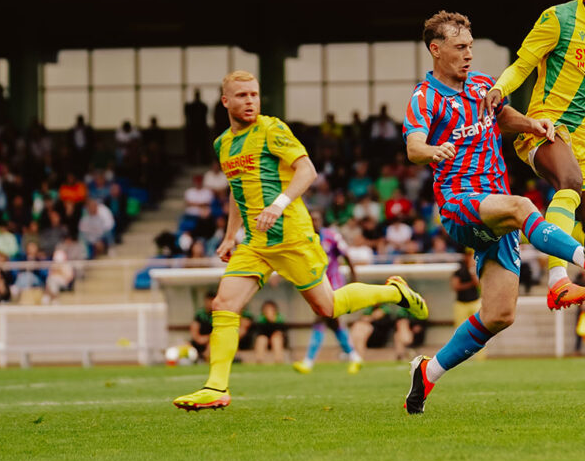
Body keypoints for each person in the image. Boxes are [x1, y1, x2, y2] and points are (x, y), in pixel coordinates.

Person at [173, 70, 428, 411]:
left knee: (327, 307)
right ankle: (216, 387)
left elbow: (307, 170)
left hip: (291, 235)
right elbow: (237, 189)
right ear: (225, 102)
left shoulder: (271, 129)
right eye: (242, 96)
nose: (250, 101)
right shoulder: (223, 144)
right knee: (223, 305)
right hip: (255, 243)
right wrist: (231, 234)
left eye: (254, 94)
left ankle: (394, 291)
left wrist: (277, 206)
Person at [402, 11, 585, 414]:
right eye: (460, 48)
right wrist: (433, 151)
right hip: (460, 201)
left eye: (471, 47)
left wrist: (532, 124)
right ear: (436, 49)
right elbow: (413, 146)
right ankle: (582, 260)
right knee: (523, 206)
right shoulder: (423, 98)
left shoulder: (481, 86)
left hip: (495, 209)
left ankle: (428, 373)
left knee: (499, 315)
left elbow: (502, 115)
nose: (468, 55)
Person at [480, 0, 585, 298]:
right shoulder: (558, 19)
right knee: (570, 182)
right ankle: (557, 280)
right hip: (545, 128)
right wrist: (499, 89)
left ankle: (545, 234)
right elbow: (523, 65)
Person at [293, 214, 364, 375]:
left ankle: (308, 361)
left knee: (321, 318)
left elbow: (346, 255)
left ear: (321, 221)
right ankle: (354, 356)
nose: (314, 222)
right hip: (317, 286)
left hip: (334, 284)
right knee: (333, 322)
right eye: (311, 219)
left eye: (316, 219)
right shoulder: (304, 238)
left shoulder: (331, 236)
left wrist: (354, 279)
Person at [452, 249, 481, 327]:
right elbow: (455, 286)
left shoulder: (475, 270)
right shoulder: (459, 271)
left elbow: (477, 283)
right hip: (461, 304)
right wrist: (471, 284)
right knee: (460, 327)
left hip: (474, 302)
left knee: (477, 327)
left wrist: (471, 269)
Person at [185, 88, 210, 165]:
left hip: (199, 130)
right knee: (195, 147)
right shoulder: (198, 106)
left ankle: (201, 161)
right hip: (195, 130)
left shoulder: (202, 106)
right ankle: (195, 161)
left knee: (201, 147)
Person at [190, 290, 216, 359]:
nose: (210, 303)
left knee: (212, 344)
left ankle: (204, 359)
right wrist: (199, 339)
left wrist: (209, 338)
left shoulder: (218, 314)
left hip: (213, 340)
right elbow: (194, 332)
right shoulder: (200, 314)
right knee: (185, 345)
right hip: (200, 340)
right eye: (208, 301)